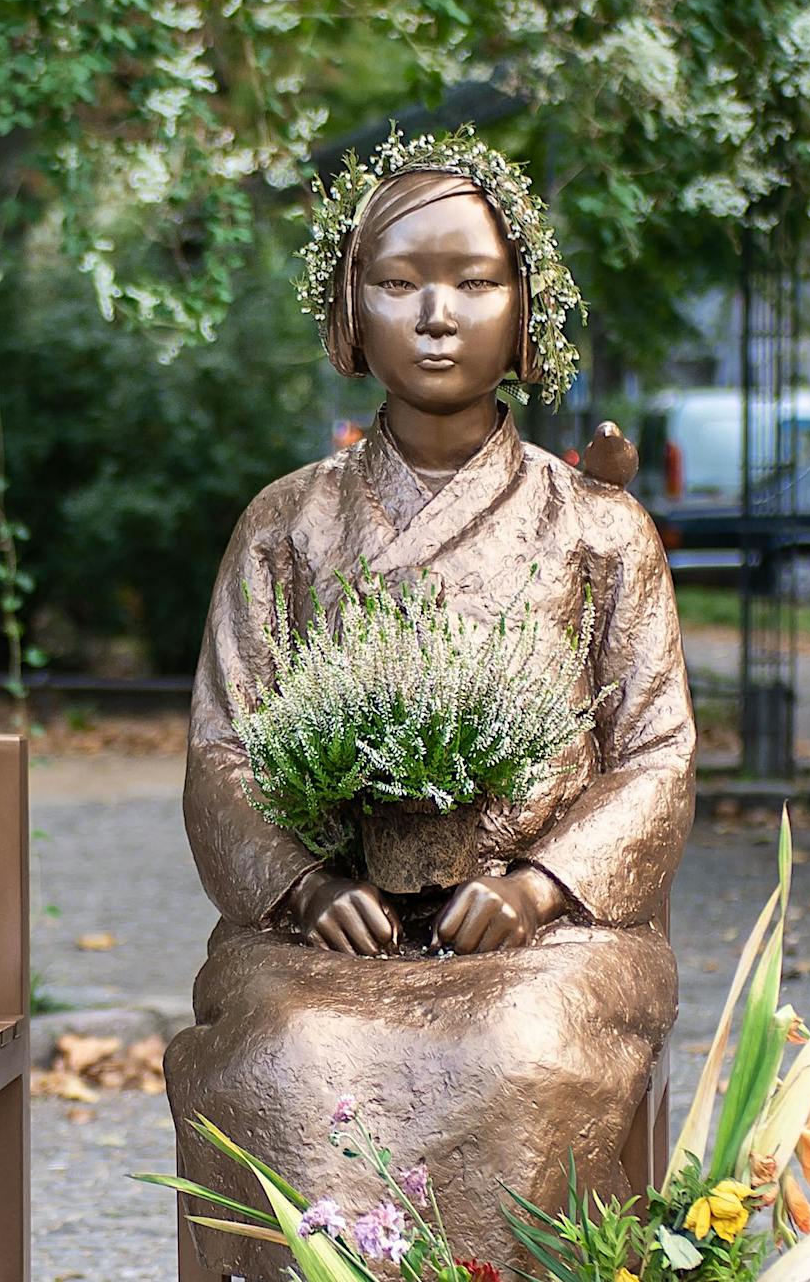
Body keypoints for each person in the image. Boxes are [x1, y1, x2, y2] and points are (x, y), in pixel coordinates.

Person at [163, 130, 693, 1278]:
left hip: (552, 936)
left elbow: (654, 756)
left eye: (473, 279)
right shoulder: (286, 522)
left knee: (519, 1046)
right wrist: (303, 882)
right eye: (398, 282)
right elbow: (220, 751)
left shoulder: (597, 527)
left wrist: (535, 882)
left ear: (524, 307)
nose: (436, 312)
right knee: (289, 1055)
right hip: (322, 929)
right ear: (350, 312)